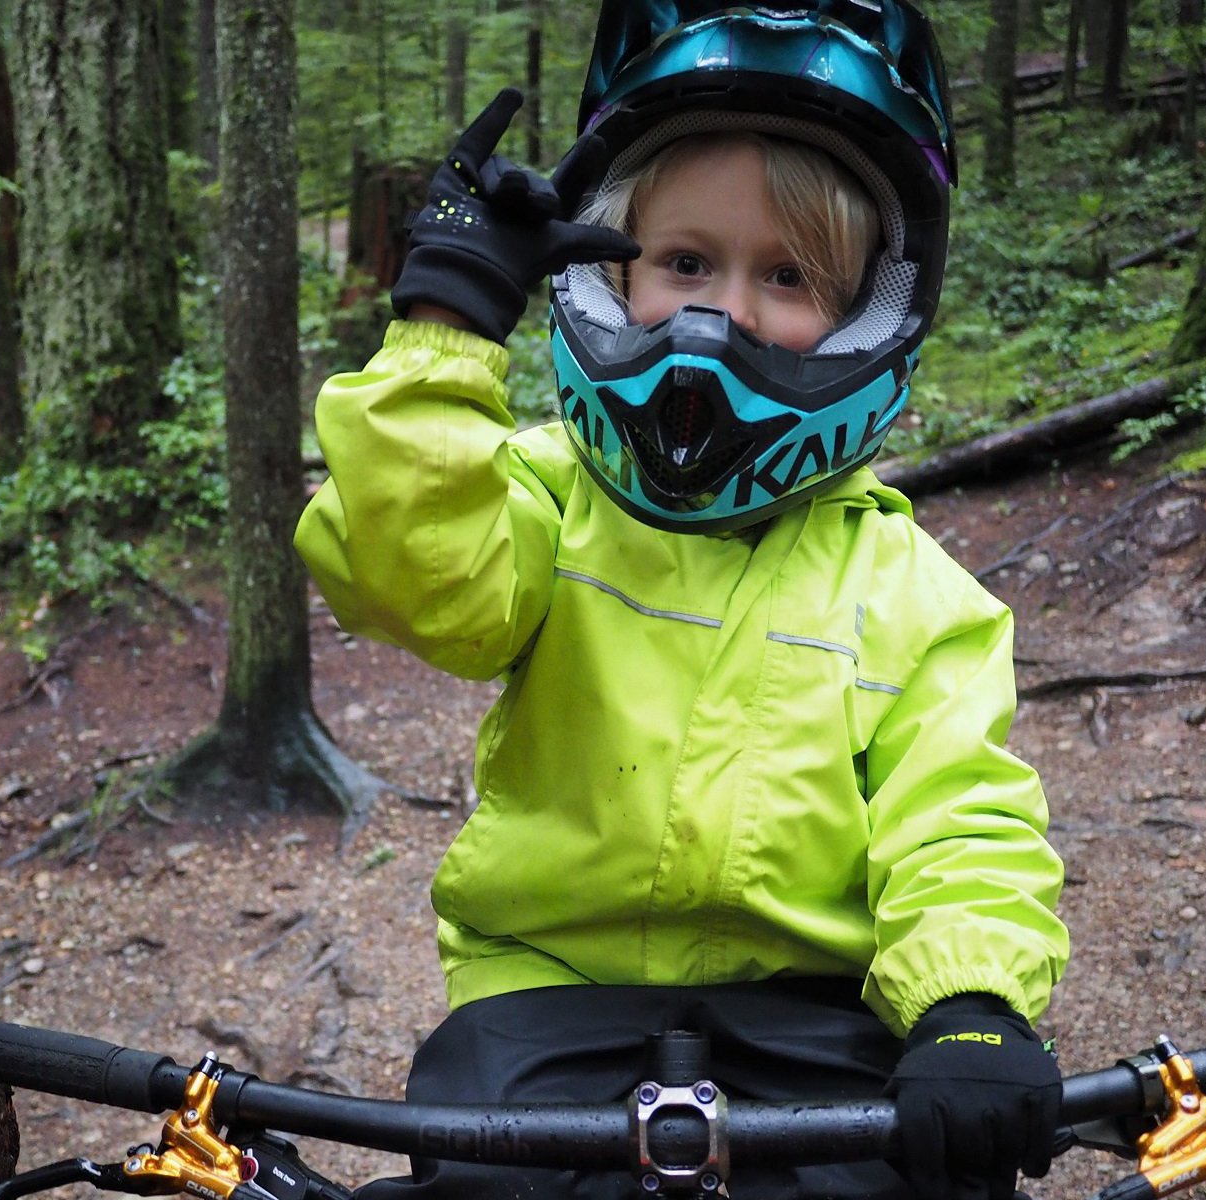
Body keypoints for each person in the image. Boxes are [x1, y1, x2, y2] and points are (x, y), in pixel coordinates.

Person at [293, 3, 1069, 1198]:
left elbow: (962, 823)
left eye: (789, 275)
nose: (724, 316)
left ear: (877, 308)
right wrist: (444, 336)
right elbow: (414, 577)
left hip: (825, 1020)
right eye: (686, 263)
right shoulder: (548, 495)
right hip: (545, 1004)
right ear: (610, 274)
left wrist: (968, 1004)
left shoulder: (916, 594)